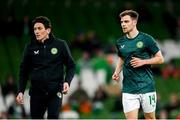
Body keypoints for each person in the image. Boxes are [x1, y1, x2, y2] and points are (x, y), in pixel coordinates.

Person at [16, 16, 76, 119]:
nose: (36, 32)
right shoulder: (30, 47)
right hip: (36, 93)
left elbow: (71, 66)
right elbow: (23, 71)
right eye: (35, 29)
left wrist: (67, 82)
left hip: (55, 91)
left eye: (40, 28)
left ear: (48, 30)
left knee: (53, 116)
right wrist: (20, 91)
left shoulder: (60, 45)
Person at [112, 10, 164, 119]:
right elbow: (122, 57)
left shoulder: (146, 39)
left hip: (147, 87)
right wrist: (116, 72)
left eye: (126, 21)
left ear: (134, 22)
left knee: (150, 118)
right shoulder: (120, 42)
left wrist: (143, 62)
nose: (123, 24)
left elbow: (160, 59)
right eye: (122, 22)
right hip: (129, 89)